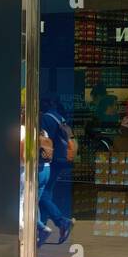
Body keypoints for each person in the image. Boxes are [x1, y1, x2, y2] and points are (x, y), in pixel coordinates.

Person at [36, 99, 73, 247]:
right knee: (47, 193)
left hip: (50, 160)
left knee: (43, 195)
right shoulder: (59, 117)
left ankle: (61, 222)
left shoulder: (45, 119)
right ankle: (42, 227)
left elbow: (42, 139)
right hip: (60, 159)